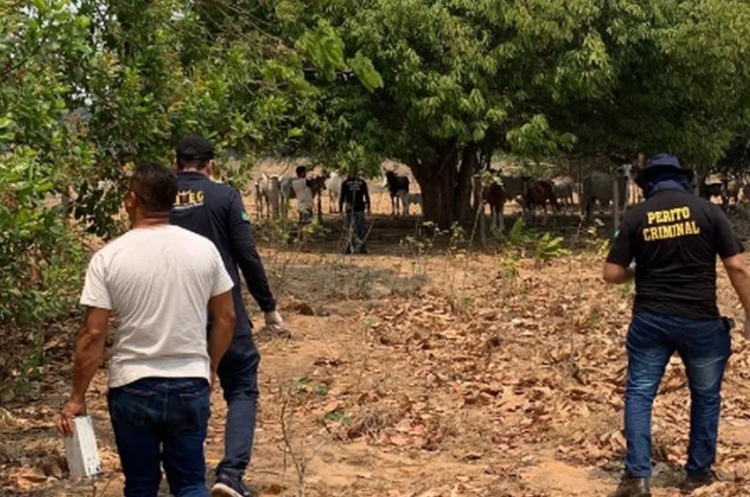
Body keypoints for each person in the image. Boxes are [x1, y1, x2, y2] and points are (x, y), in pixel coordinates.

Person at [57, 163, 236, 497]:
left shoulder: (109, 257)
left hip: (133, 385)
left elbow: (93, 335)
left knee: (140, 485)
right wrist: (209, 367)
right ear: (173, 200)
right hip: (190, 382)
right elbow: (227, 318)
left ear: (130, 200)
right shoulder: (204, 250)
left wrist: (77, 397)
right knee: (191, 484)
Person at [603, 153, 750, 497]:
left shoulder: (636, 216)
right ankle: (698, 474)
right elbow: (737, 267)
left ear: (649, 183)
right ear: (683, 180)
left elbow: (611, 274)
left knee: (640, 395)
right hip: (701, 321)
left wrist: (638, 272)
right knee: (705, 397)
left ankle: (637, 478)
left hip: (650, 320)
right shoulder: (709, 212)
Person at [170, 135, 284, 497]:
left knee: (183, 393)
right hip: (225, 315)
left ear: (175, 165)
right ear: (210, 165)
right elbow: (246, 254)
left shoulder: (158, 200)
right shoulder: (225, 196)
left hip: (175, 318)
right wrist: (268, 306)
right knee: (242, 390)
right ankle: (230, 474)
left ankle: (183, 478)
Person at [339, 170, 371, 254]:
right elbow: (342, 197)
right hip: (354, 208)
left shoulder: (350, 183)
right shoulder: (349, 183)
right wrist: (340, 209)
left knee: (356, 228)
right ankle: (353, 247)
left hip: (356, 208)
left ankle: (359, 247)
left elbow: (366, 195)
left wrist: (369, 208)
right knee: (355, 228)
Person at [291, 165, 314, 243]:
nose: (306, 173)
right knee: (306, 224)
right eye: (304, 172)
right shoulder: (302, 181)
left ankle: (299, 239)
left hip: (301, 205)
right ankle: (305, 241)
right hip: (305, 206)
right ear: (301, 173)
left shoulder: (295, 183)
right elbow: (311, 182)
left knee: (301, 223)